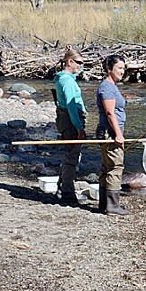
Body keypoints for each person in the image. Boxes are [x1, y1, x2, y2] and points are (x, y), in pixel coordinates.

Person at [52, 47, 87, 207]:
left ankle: (62, 188)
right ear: (70, 62)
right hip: (71, 123)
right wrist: (79, 127)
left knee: (70, 154)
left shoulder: (62, 79)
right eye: (79, 63)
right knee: (72, 156)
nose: (81, 66)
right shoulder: (67, 81)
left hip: (65, 121)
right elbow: (72, 107)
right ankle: (67, 192)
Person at [95, 54, 129, 216]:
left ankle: (104, 204)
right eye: (120, 68)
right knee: (115, 166)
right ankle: (112, 206)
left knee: (107, 166)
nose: (123, 71)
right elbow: (110, 113)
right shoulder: (107, 87)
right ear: (109, 69)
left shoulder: (111, 86)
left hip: (109, 131)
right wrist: (118, 134)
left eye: (124, 68)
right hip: (110, 132)